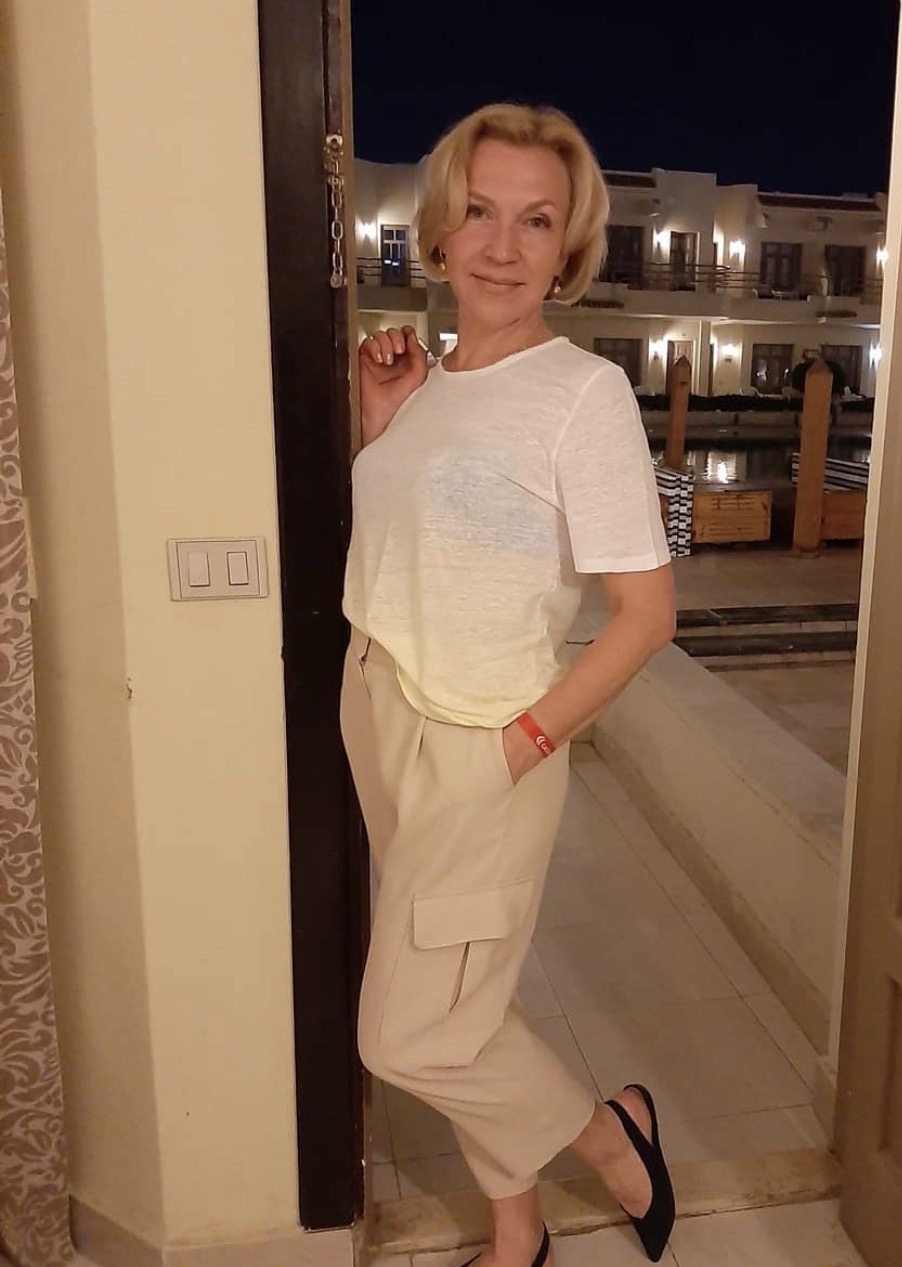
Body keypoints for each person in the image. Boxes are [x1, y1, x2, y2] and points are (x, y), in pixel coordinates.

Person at [340, 103, 678, 1267]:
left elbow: (645, 616)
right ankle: (515, 1226)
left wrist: (522, 745)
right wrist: (382, 429)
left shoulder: (583, 394)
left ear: (566, 247)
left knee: (404, 1034)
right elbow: (414, 546)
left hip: (483, 741)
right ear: (438, 230)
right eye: (479, 211)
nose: (500, 244)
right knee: (460, 997)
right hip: (380, 705)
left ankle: (607, 1134)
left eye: (535, 220)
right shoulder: (428, 383)